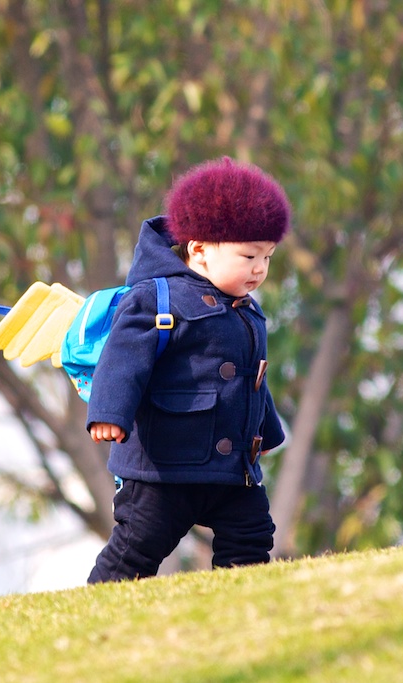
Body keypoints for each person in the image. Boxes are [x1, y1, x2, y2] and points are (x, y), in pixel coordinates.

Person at [86, 157, 290, 583]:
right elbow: (122, 361)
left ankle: (239, 610)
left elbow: (253, 381)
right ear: (198, 249)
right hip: (164, 470)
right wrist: (109, 413)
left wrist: (268, 434)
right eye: (249, 255)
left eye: (268, 257)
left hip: (233, 470)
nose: (259, 269)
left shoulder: (249, 312)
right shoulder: (156, 298)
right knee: (136, 549)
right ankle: (95, 611)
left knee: (252, 539)